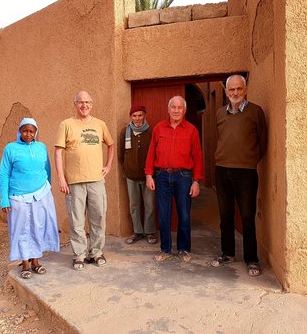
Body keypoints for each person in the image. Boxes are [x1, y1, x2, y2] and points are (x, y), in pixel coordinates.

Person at [211, 74, 267, 277]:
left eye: (239, 89)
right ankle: (227, 253)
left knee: (246, 216)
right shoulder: (219, 113)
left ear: (245, 90)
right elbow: (220, 139)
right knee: (225, 215)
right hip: (222, 170)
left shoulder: (256, 112)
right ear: (226, 92)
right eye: (231, 90)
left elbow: (263, 141)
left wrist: (248, 160)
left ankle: (251, 259)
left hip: (246, 172)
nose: (235, 93)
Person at [54, 91, 115, 271]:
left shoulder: (100, 124)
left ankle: (96, 252)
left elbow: (110, 144)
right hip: (74, 182)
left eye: (87, 102)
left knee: (99, 217)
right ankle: (79, 254)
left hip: (96, 180)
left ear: (92, 104)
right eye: (81, 102)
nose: (84, 105)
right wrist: (61, 178)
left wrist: (108, 165)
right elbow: (58, 152)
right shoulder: (66, 124)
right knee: (76, 220)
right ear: (75, 104)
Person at [0, 117, 60, 279]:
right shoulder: (10, 149)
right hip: (18, 196)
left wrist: (49, 190)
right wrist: (4, 199)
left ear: (36, 132)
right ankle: (25, 262)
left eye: (31, 131)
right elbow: (3, 174)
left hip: (41, 194)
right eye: (25, 130)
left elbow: (47, 169)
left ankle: (36, 261)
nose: (28, 134)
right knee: (22, 229)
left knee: (37, 227)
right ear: (19, 131)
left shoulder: (41, 147)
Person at [145, 96, 203, 263]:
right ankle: (165, 249)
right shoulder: (158, 128)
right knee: (163, 215)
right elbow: (151, 153)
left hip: (184, 177)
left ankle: (183, 249)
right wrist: (149, 174)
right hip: (162, 176)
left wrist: (196, 181)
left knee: (184, 215)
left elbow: (198, 157)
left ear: (184, 111)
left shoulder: (192, 130)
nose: (176, 110)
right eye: (173, 107)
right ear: (168, 109)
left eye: (180, 108)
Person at [122, 105, 156, 245]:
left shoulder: (151, 131)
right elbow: (121, 153)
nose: (137, 118)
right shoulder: (125, 132)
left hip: (148, 176)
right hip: (131, 176)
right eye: (134, 116)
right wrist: (127, 168)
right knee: (134, 205)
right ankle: (137, 231)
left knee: (149, 205)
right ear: (131, 117)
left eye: (140, 115)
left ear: (145, 116)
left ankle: (149, 232)